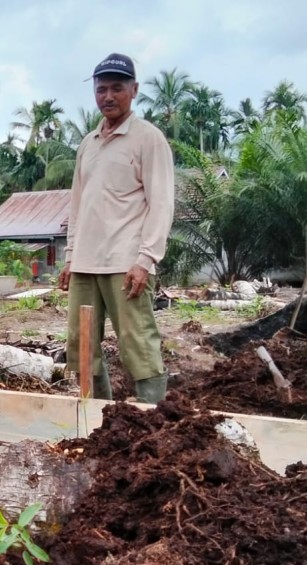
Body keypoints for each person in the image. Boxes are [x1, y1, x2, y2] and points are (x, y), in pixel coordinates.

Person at [58, 52, 175, 404]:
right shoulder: (87, 145)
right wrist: (70, 256)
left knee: (136, 340)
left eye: (117, 88)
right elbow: (78, 205)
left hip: (127, 262)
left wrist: (146, 259)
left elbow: (162, 203)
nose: (108, 96)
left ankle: (152, 418)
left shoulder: (147, 139)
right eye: (102, 89)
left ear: (134, 90)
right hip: (85, 264)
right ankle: (98, 419)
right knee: (82, 346)